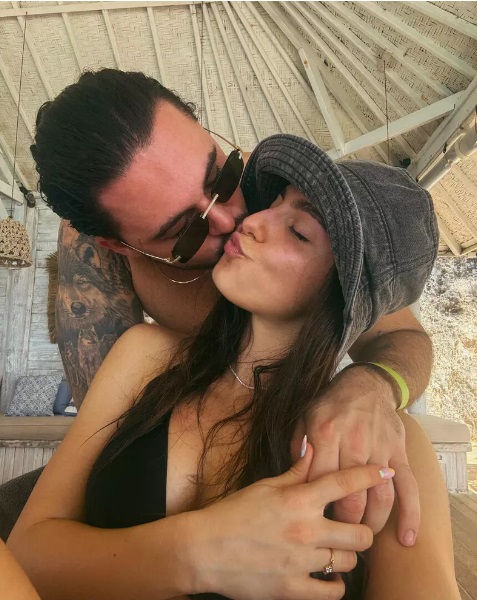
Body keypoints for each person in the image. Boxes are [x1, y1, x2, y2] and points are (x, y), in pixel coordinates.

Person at [8, 135, 459, 600]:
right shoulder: (145, 358)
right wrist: (195, 553)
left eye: (299, 231)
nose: (253, 221)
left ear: (346, 295)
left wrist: (376, 382)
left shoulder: (379, 443)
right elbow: (27, 555)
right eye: (273, 204)